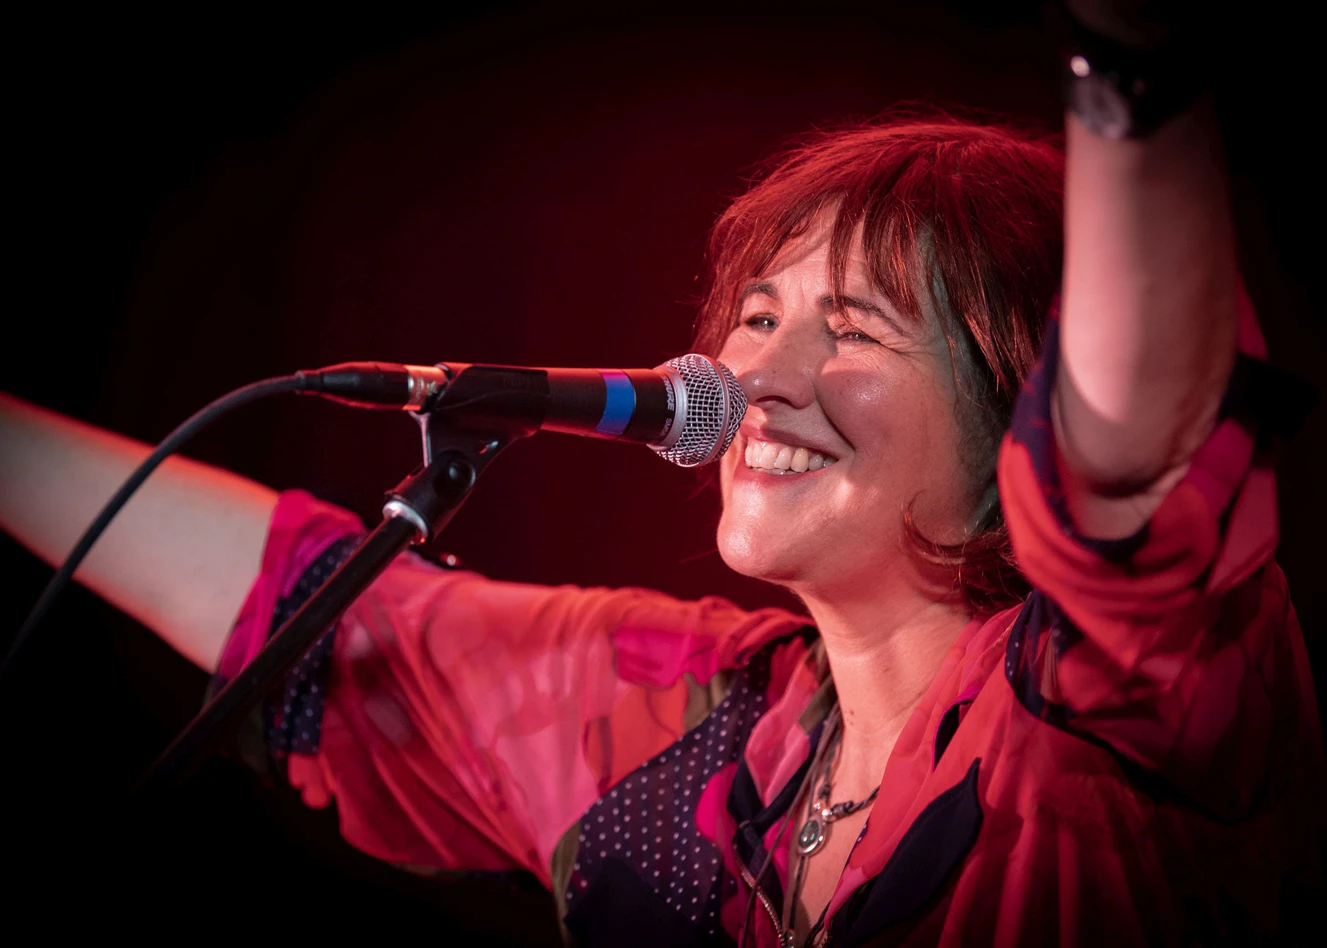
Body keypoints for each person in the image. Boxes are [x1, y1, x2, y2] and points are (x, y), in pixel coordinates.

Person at [1, 5, 1322, 945]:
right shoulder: (690, 724)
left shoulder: (1115, 702)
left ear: (1021, 419)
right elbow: (311, 612)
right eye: (755, 316)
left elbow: (1146, 438)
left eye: (855, 330)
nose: (753, 376)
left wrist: (1129, 59)